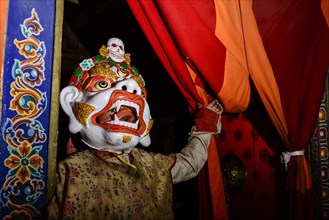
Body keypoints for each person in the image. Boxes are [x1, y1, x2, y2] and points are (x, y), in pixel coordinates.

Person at [46, 37, 223, 219]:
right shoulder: (67, 172)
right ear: (71, 103)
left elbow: (190, 164)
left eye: (139, 90)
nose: (130, 87)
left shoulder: (152, 166)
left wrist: (204, 127)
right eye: (102, 84)